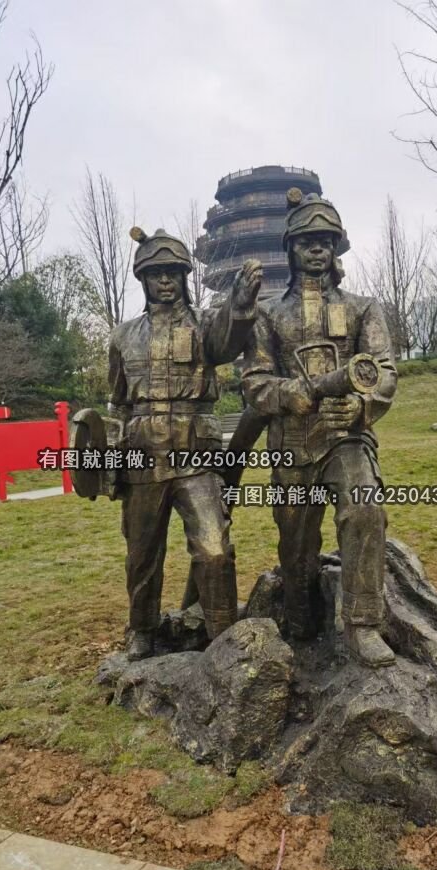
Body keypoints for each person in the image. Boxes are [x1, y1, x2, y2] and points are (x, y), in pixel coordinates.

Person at [241, 191, 398, 667]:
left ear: (336, 248)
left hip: (345, 438)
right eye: (308, 240)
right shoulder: (268, 315)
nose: (317, 249)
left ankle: (363, 624)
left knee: (365, 509)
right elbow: (255, 382)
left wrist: (361, 405)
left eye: (326, 241)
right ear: (291, 248)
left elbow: (384, 370)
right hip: (291, 442)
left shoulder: (363, 308)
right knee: (296, 545)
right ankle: (301, 619)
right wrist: (290, 394)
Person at [109, 227, 262, 660]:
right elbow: (118, 403)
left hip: (197, 455)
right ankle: (143, 629)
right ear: (143, 279)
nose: (165, 280)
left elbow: (227, 342)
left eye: (172, 272)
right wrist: (110, 460)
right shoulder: (122, 336)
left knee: (214, 550)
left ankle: (222, 633)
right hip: (142, 456)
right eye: (156, 273)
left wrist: (241, 304)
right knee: (142, 553)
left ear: (184, 277)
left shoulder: (205, 324)